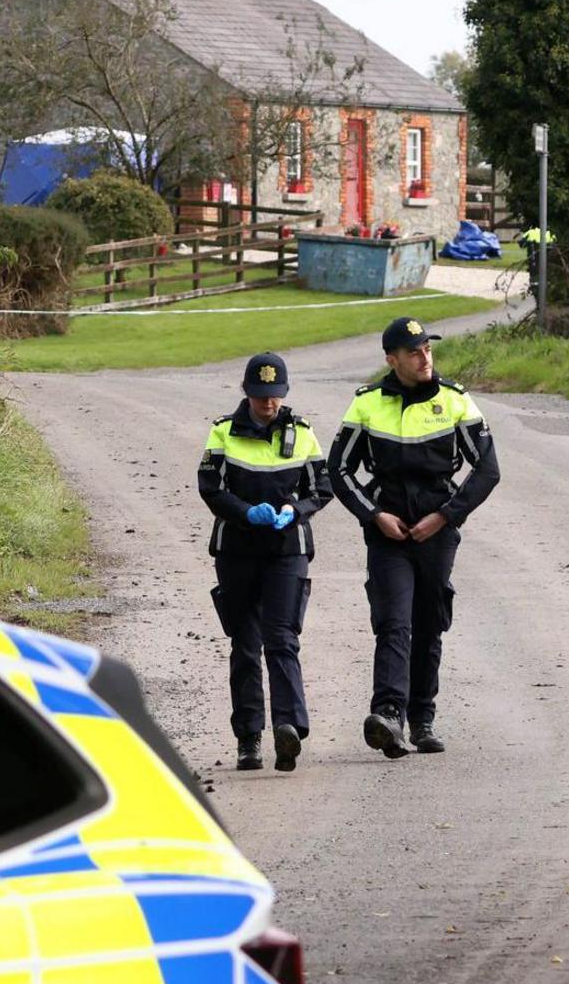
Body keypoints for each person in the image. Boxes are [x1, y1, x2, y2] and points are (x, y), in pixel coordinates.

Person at [326, 317, 502, 759]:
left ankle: (421, 719)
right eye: (414, 352)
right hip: (387, 531)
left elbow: (487, 470)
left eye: (428, 349)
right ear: (392, 360)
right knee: (393, 621)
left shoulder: (456, 401)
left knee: (428, 622)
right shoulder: (366, 404)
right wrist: (374, 515)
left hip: (436, 531)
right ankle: (387, 714)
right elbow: (338, 470)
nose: (425, 358)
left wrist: (444, 516)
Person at [194, 351, 321, 772]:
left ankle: (288, 729)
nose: (270, 404)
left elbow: (322, 487)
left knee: (281, 639)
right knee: (245, 646)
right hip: (237, 551)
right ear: (247, 392)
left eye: (276, 396)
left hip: (287, 550)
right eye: (262, 396)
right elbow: (210, 487)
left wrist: (297, 511)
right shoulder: (223, 432)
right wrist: (246, 511)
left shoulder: (302, 432)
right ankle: (248, 737)